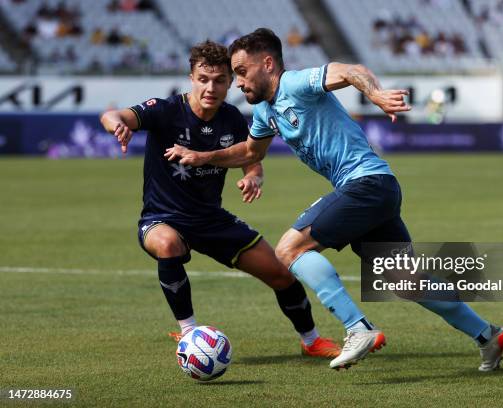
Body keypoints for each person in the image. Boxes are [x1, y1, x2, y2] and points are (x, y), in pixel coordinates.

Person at [165, 28, 503, 371]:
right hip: (376, 191)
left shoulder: (294, 83)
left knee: (289, 249)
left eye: (241, 72)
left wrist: (374, 95)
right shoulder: (264, 111)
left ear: (267, 64)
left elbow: (349, 71)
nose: (238, 83)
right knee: (407, 281)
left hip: (366, 183)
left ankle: (357, 328)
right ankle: (487, 335)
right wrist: (203, 157)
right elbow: (250, 152)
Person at [100, 40, 340, 359]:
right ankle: (189, 333)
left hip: (211, 220)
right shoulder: (165, 110)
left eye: (219, 80)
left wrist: (253, 176)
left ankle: (311, 341)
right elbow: (112, 114)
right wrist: (117, 125)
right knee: (168, 244)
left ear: (230, 82)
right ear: (191, 78)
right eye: (203, 79)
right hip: (162, 218)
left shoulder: (232, 118)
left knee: (281, 274)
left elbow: (251, 158)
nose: (210, 87)